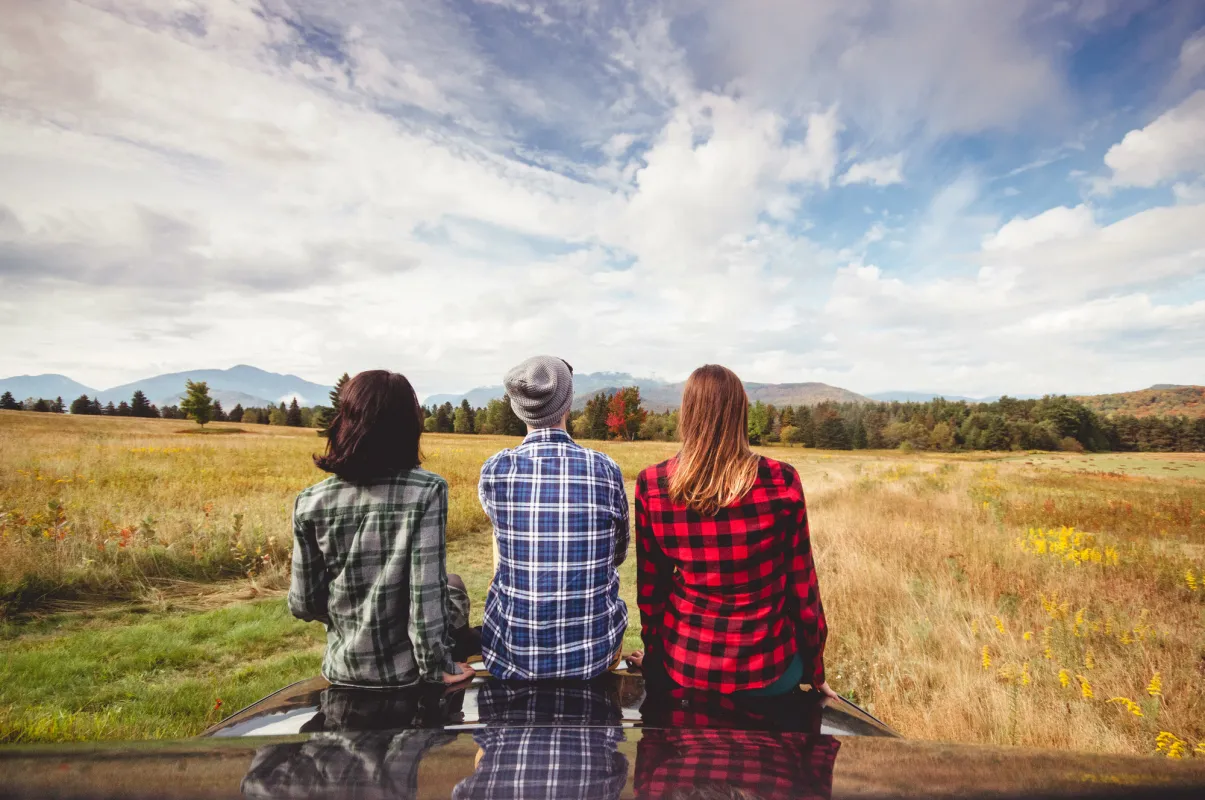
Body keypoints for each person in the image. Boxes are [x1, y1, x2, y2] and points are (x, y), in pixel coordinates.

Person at [632, 364, 835, 698]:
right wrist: (816, 670)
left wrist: (656, 657)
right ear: (740, 412)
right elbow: (803, 590)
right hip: (769, 669)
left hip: (685, 666)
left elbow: (651, 591)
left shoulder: (653, 484)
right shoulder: (781, 480)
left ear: (688, 413)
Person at [288, 370, 473, 688]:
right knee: (453, 585)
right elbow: (424, 596)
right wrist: (435, 668)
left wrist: (352, 614)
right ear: (408, 426)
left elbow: (303, 603)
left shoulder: (309, 501)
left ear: (345, 422)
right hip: (405, 673)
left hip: (341, 670)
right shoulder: (426, 491)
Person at [477, 355, 629, 680]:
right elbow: (617, 555)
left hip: (512, 658)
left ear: (519, 409)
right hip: (595, 656)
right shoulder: (605, 469)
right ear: (568, 403)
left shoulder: (495, 470)